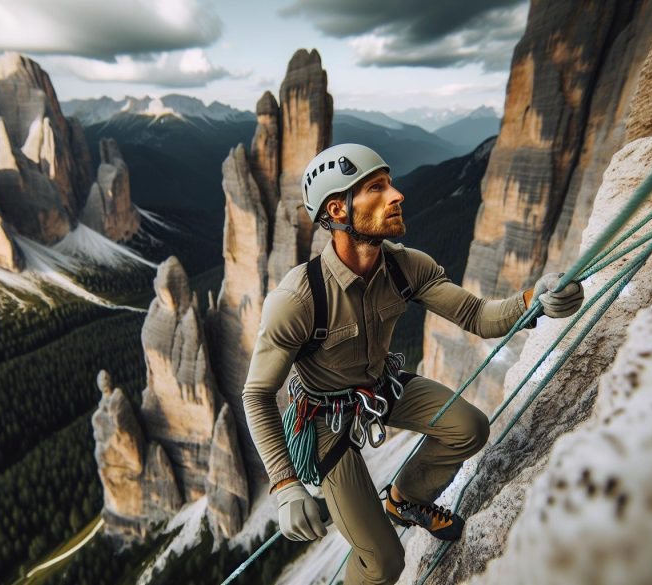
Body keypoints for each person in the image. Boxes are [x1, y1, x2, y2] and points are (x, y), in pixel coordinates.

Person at [241, 143, 584, 585]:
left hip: (382, 390)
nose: (397, 195)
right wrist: (285, 485)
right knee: (383, 562)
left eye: (390, 183)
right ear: (337, 209)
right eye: (375, 188)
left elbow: (478, 316)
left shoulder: (405, 267)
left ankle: (406, 498)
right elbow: (257, 393)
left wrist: (534, 301)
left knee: (469, 428)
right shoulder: (298, 299)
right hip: (324, 421)